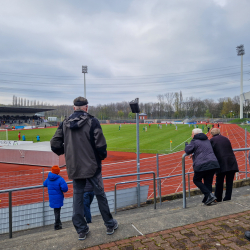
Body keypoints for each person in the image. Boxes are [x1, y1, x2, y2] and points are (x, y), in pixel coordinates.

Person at [50, 96, 118, 241]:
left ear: (74, 108)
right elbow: (101, 145)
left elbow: (54, 144)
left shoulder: (65, 123)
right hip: (93, 166)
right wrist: (101, 157)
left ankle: (81, 230)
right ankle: (109, 224)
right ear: (86, 107)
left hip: (74, 166)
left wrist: (66, 151)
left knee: (78, 197)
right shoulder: (92, 121)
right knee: (100, 195)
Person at [185, 128, 220, 205]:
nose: (191, 135)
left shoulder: (194, 141)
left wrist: (186, 145)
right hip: (213, 163)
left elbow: (187, 150)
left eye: (192, 134)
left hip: (202, 163)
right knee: (208, 182)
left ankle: (210, 196)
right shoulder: (207, 140)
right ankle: (208, 199)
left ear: (195, 134)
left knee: (196, 180)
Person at [210, 128, 239, 202]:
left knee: (219, 181)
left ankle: (218, 198)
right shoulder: (226, 138)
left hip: (221, 163)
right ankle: (227, 197)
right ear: (219, 132)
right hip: (231, 162)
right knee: (229, 182)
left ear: (212, 134)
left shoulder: (212, 140)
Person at [43, 165, 68, 230]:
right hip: (58, 197)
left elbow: (44, 184)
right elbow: (65, 189)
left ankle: (59, 223)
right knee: (57, 211)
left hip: (52, 197)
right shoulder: (60, 179)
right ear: (58, 172)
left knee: (56, 211)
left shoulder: (49, 178)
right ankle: (57, 225)